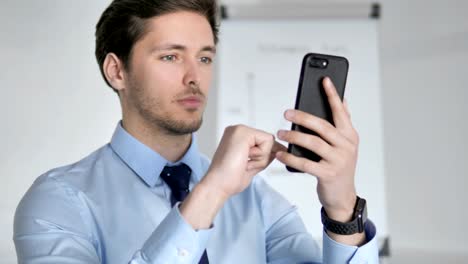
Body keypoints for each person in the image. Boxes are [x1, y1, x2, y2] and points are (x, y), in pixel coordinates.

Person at [13, 0, 379, 263]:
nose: (194, 77)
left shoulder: (259, 201)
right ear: (116, 71)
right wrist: (211, 192)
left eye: (204, 58)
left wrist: (342, 208)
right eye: (171, 56)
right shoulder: (57, 203)